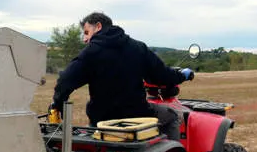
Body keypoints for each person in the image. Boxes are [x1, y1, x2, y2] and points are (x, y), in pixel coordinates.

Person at [50, 12, 193, 141]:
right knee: (173, 116)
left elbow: (65, 81)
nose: (85, 39)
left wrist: (57, 104)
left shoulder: (90, 53)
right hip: (138, 115)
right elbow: (163, 75)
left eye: (87, 32)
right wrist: (182, 76)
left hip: (101, 120)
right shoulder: (138, 47)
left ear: (98, 26)